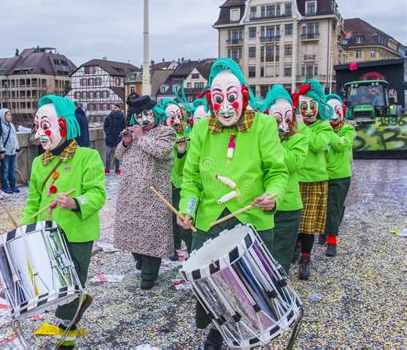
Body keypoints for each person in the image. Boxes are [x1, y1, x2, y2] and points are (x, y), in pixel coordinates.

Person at [177, 58, 288, 349]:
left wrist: (272, 195)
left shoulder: (263, 125)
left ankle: (254, 330)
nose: (225, 105)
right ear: (210, 100)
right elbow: (190, 179)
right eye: (218, 99)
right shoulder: (200, 130)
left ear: (242, 94)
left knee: (253, 286)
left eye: (231, 97)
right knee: (209, 285)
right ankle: (217, 329)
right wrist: (187, 209)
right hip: (209, 221)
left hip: (252, 217)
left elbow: (278, 172)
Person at [21, 95, 106, 348]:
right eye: (37, 126)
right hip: (49, 234)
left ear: (64, 125)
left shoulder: (88, 157)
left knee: (73, 281)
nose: (40, 133)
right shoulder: (38, 163)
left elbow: (98, 193)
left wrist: (76, 203)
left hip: (78, 233)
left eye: (45, 125)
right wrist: (25, 229)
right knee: (58, 282)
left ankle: (66, 335)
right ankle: (77, 306)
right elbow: (33, 202)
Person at [113, 95, 175, 290]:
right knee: (131, 232)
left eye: (147, 114)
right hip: (130, 194)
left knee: (151, 236)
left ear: (155, 113)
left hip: (153, 195)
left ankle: (149, 275)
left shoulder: (166, 132)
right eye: (139, 116)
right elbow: (118, 155)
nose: (144, 119)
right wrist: (125, 142)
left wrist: (141, 139)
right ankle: (139, 260)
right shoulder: (133, 132)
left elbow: (162, 152)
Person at [261, 85, 308, 275]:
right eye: (277, 118)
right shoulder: (260, 137)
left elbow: (293, 163)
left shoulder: (299, 138)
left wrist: (273, 141)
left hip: (288, 207)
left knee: (281, 257)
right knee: (264, 255)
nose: (283, 123)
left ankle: (278, 295)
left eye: (287, 118)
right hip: (264, 204)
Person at [291, 79, 333, 280]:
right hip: (295, 180)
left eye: (311, 106)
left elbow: (317, 145)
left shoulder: (324, 128)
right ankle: (295, 247)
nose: (307, 110)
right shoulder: (295, 126)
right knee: (294, 220)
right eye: (303, 106)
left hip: (315, 181)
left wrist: (301, 126)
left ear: (318, 107)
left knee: (308, 225)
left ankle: (305, 258)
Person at [155, 99, 193, 260]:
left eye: (178, 115)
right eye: (172, 117)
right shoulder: (162, 137)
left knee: (184, 216)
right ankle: (174, 248)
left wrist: (181, 151)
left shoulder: (189, 135)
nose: (176, 120)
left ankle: (191, 249)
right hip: (166, 183)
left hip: (184, 183)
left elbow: (183, 165)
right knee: (170, 218)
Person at [323, 94, 355, 256]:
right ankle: (325, 230)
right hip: (323, 175)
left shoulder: (348, 129)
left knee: (334, 208)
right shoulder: (324, 128)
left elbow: (340, 145)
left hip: (340, 176)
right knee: (324, 207)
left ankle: (332, 240)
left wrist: (327, 130)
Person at [0, 108, 20, 194]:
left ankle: (13, 185)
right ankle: (5, 186)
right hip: (5, 152)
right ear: (3, 116)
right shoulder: (0, 126)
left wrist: (17, 148)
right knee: (5, 170)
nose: (9, 117)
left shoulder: (12, 125)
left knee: (12, 170)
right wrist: (1, 150)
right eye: (7, 115)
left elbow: (15, 138)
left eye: (10, 115)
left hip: (13, 151)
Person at [103, 103, 126, 175]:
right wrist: (108, 133)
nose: (113, 109)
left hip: (118, 138)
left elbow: (124, 127)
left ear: (119, 108)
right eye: (113, 107)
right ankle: (107, 169)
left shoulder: (122, 117)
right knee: (108, 155)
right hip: (110, 138)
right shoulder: (109, 116)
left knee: (118, 155)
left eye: (115, 107)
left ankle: (117, 169)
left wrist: (121, 135)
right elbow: (105, 125)